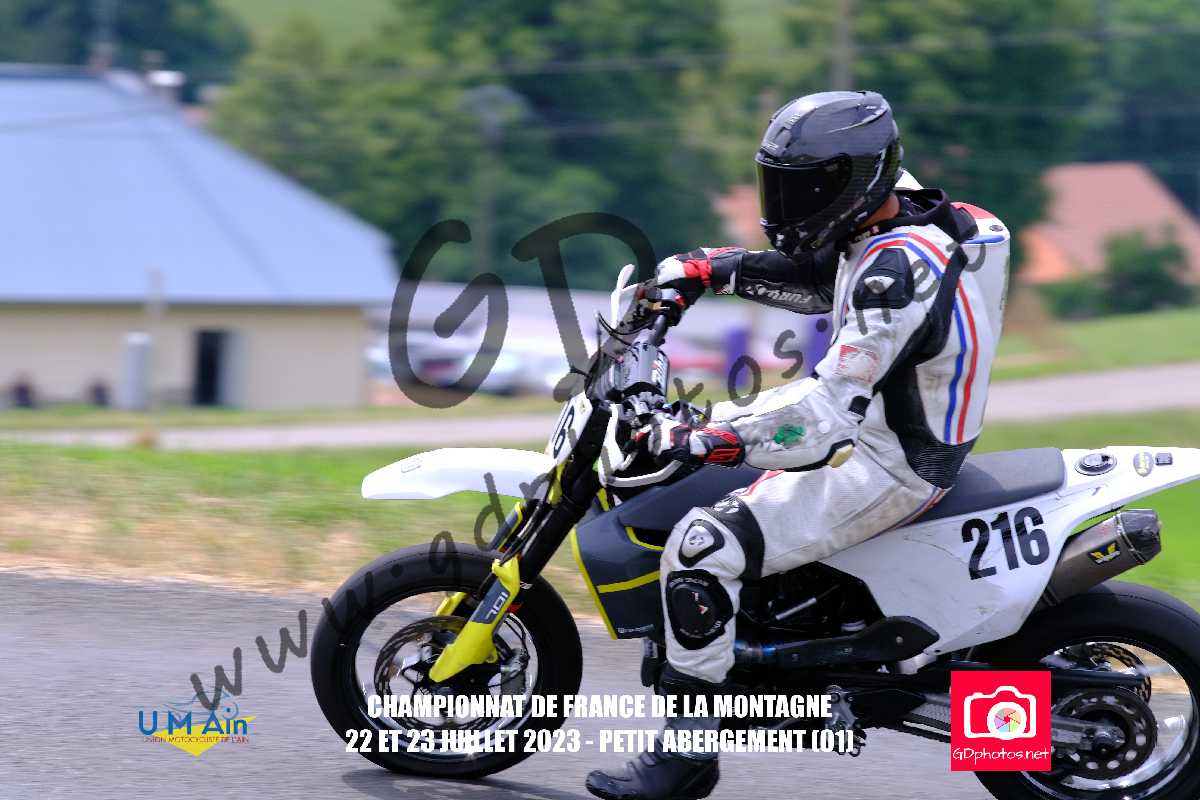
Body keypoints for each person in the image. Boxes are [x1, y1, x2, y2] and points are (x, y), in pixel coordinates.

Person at [585, 90, 1010, 800]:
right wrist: (709, 269)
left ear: (854, 182)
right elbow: (824, 281)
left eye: (803, 187)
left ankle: (685, 761)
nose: (784, 204)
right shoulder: (906, 220)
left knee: (700, 547)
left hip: (891, 462)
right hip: (894, 428)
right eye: (777, 184)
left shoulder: (894, 274)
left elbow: (822, 419)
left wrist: (704, 438)